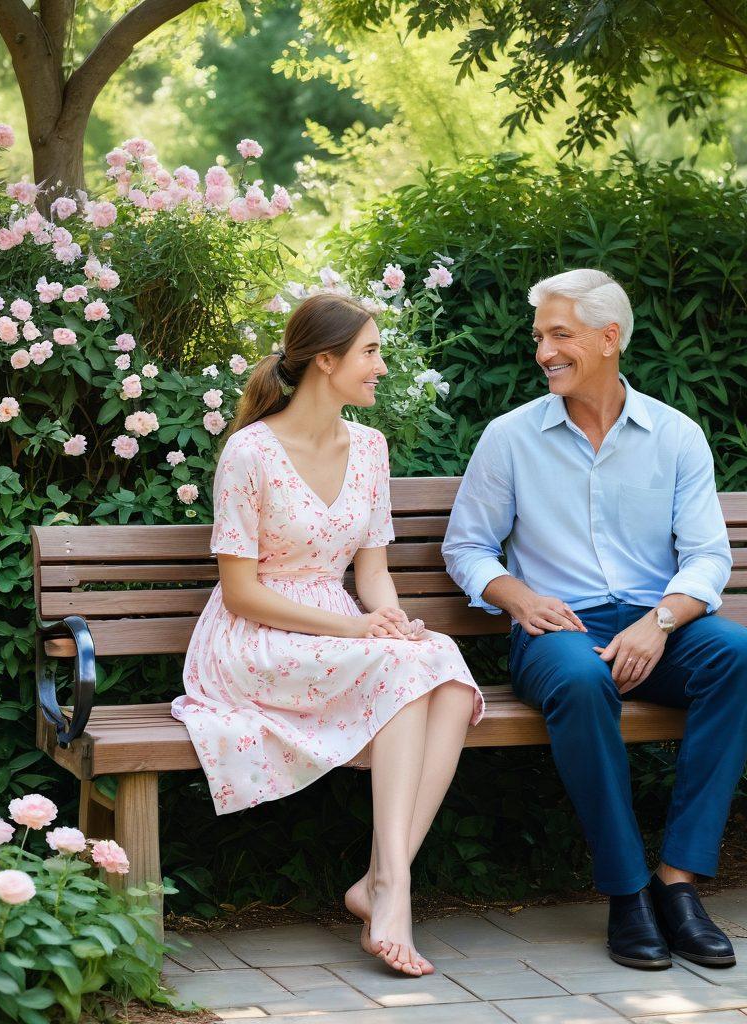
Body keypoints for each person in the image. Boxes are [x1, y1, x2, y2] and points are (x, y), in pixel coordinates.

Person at [442, 268, 747, 970]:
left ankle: (678, 884)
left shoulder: (675, 436)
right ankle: (627, 893)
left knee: (744, 658)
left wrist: (659, 622)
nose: (544, 353)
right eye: (539, 338)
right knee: (580, 681)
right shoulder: (510, 438)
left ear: (608, 337)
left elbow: (709, 556)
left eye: (559, 336)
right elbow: (466, 546)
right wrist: (518, 598)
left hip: (657, 626)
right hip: (556, 631)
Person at [172, 293, 484, 978]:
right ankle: (394, 891)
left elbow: (371, 571)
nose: (380, 366)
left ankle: (378, 878)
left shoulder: (370, 448)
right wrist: (356, 627)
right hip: (256, 637)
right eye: (370, 352)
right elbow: (241, 591)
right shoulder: (249, 452)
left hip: (341, 633)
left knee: (445, 672)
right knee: (400, 671)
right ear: (325, 360)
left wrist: (392, 622)